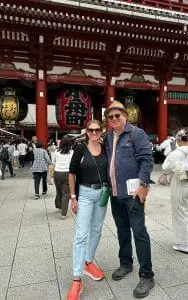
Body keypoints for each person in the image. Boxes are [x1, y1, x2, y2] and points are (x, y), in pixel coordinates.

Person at [104, 101, 154, 299]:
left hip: (133, 194)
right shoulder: (108, 137)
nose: (114, 119)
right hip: (115, 194)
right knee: (122, 231)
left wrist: (143, 185)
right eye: (110, 117)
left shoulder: (136, 133)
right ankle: (126, 263)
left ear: (125, 115)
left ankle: (147, 275)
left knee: (139, 232)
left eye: (118, 115)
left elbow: (146, 159)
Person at [67, 120, 108, 300]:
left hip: (102, 193)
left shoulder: (106, 148)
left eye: (97, 130)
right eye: (90, 130)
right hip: (84, 193)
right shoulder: (80, 149)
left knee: (97, 230)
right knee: (81, 234)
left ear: (101, 131)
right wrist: (73, 197)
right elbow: (72, 173)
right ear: (86, 132)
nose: (94, 132)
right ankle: (77, 279)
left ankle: (88, 261)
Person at [162, 128, 188, 253]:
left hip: (180, 184)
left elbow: (166, 168)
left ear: (179, 139)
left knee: (180, 212)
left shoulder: (178, 153)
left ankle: (184, 243)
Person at [53, 137, 73, 219]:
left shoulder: (56, 152)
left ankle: (59, 205)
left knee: (58, 190)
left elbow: (53, 161)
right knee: (66, 193)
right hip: (67, 173)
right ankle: (63, 213)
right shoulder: (72, 152)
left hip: (57, 173)